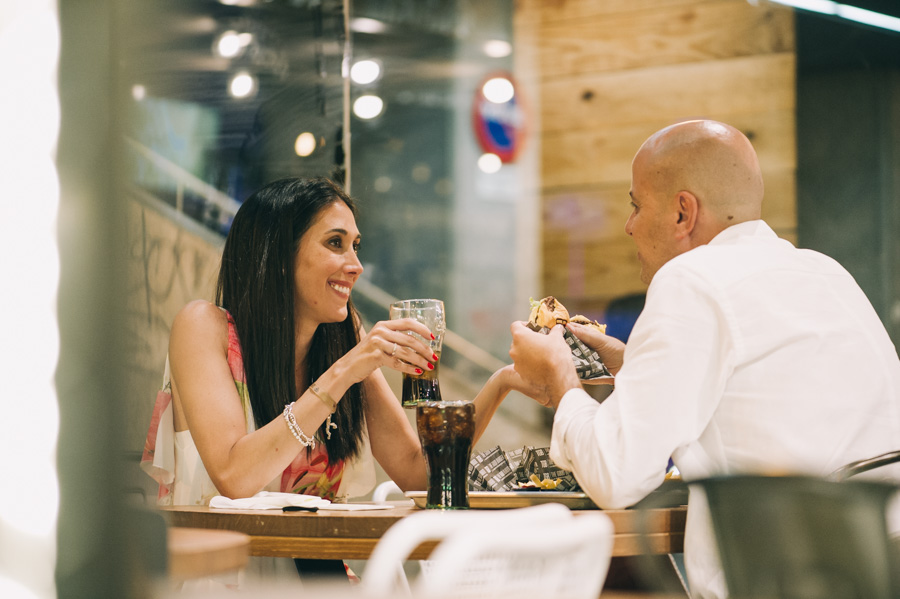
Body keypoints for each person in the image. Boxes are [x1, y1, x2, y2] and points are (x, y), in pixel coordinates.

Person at [508, 120, 900, 599]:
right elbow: (753, 393)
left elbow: (617, 476)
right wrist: (633, 362)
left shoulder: (691, 279)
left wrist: (561, 378)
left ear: (682, 213)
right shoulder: (824, 271)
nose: (629, 225)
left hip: (786, 580)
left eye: (635, 205)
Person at [141, 177, 518, 583]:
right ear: (279, 255)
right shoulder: (203, 327)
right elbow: (235, 478)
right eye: (335, 243)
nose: (355, 265)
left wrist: (502, 382)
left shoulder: (343, 346)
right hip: (223, 580)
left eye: (356, 245)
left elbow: (419, 476)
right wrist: (344, 371)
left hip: (317, 575)